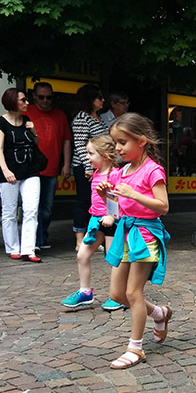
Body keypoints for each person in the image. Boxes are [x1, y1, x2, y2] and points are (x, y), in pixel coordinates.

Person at [98, 113, 171, 369]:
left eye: (123, 142)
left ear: (141, 141)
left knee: (132, 292)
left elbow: (163, 206)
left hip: (146, 235)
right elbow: (118, 208)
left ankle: (135, 348)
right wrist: (107, 196)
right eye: (115, 142)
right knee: (117, 294)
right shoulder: (122, 171)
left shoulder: (153, 170)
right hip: (126, 234)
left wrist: (135, 194)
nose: (118, 148)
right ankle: (159, 313)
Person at [61, 135, 122, 309]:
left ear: (105, 156)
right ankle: (85, 292)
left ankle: (118, 295)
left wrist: (112, 216)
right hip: (96, 221)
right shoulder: (96, 172)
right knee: (82, 255)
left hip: (112, 223)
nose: (87, 157)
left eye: (91, 153)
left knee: (114, 260)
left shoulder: (115, 174)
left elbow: (119, 199)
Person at [0, 88, 42, 262]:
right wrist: (6, 170)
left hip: (30, 170)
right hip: (10, 171)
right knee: (9, 211)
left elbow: (36, 143)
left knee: (31, 209)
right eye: (23, 100)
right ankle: (13, 247)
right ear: (13, 101)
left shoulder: (26, 120)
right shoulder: (1, 122)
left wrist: (34, 131)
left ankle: (29, 249)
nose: (27, 103)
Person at [26, 82, 73, 249]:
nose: (45, 100)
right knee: (32, 207)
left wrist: (66, 164)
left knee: (46, 208)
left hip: (52, 167)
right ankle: (34, 240)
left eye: (49, 97)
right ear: (34, 96)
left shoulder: (59, 114)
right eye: (41, 97)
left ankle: (42, 237)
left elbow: (66, 141)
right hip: (31, 168)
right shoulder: (26, 111)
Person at [71, 84, 109, 251]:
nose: (102, 100)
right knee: (84, 201)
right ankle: (79, 239)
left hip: (98, 166)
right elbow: (80, 145)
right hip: (84, 166)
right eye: (98, 97)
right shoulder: (82, 118)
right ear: (90, 99)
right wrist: (88, 167)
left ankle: (92, 236)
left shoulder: (98, 118)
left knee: (96, 201)